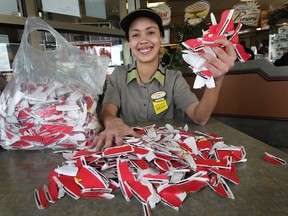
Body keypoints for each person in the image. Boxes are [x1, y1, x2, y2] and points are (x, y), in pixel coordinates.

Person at [91, 8, 236, 150]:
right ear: (129, 42)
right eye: (135, 35)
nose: (143, 40)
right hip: (128, 149)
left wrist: (216, 80)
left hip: (164, 151)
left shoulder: (174, 78)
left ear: (161, 38)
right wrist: (112, 122)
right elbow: (107, 111)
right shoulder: (119, 74)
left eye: (151, 32)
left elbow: (200, 118)